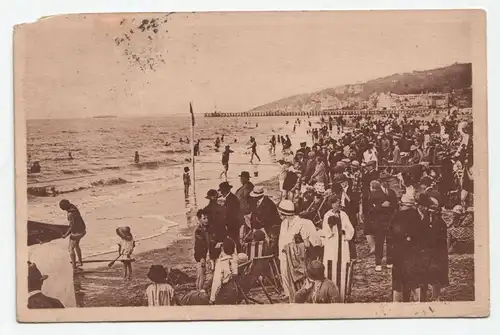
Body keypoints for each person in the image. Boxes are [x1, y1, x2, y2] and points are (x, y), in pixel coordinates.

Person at [388, 194, 425, 302]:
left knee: (398, 281)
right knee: (413, 280)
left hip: (399, 253)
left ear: (402, 204)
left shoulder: (397, 215)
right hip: (413, 253)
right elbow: (421, 234)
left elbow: (391, 234)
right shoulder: (417, 215)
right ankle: (417, 302)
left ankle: (396, 304)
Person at [320, 194, 354, 302]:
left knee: (343, 268)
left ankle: (343, 296)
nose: (339, 204)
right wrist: (330, 226)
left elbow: (351, 229)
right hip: (332, 245)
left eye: (339, 202)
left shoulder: (343, 214)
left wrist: (345, 233)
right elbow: (325, 232)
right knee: (331, 268)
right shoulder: (327, 215)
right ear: (332, 204)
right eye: (336, 202)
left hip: (342, 244)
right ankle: (330, 296)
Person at [277, 200, 308, 303]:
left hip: (295, 257)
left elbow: (305, 243)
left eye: (281, 213)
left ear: (285, 213)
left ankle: (297, 298)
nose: (279, 215)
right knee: (285, 276)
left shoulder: (299, 223)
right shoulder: (283, 223)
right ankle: (289, 296)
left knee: (295, 279)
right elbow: (281, 239)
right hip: (283, 255)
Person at [419, 195, 449, 302]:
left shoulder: (439, 222)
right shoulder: (427, 219)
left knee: (435, 274)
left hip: (435, 252)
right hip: (428, 252)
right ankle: (428, 296)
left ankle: (435, 297)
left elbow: (438, 240)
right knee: (425, 275)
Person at [210, 238, 239, 305]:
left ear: (222, 249)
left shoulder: (220, 263)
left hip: (224, 293)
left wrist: (212, 298)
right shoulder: (235, 260)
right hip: (234, 291)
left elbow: (216, 282)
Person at [60, 199, 86, 272]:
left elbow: (72, 226)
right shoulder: (73, 207)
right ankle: (80, 262)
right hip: (83, 230)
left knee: (70, 248)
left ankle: (74, 267)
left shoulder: (70, 214)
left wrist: (65, 235)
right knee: (76, 245)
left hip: (77, 233)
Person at [203, 189, 227, 261]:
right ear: (216, 198)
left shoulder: (205, 210)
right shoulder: (222, 208)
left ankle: (214, 267)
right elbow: (224, 222)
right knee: (222, 253)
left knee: (213, 254)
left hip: (211, 235)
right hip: (221, 234)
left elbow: (205, 224)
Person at [218, 182, 242, 252]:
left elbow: (231, 214)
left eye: (222, 191)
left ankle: (236, 253)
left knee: (234, 240)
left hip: (232, 224)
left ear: (224, 191)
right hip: (234, 224)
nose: (221, 193)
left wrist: (226, 224)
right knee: (235, 240)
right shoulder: (231, 198)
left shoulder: (231, 199)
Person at [235, 171, 255, 238]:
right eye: (240, 178)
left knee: (248, 227)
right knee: (246, 228)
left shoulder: (248, 186)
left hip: (247, 212)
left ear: (245, 178)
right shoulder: (246, 186)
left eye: (242, 178)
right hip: (244, 211)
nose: (240, 180)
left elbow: (246, 197)